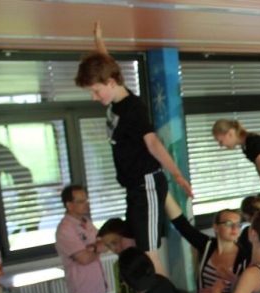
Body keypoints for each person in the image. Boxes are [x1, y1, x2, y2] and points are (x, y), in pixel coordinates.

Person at [75, 21, 193, 275]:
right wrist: (98, 41)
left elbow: (152, 143)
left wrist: (177, 174)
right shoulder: (116, 97)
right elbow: (108, 64)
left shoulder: (133, 109)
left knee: (149, 254)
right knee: (136, 248)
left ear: (110, 83)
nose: (94, 97)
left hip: (147, 185)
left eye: (95, 91)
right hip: (134, 187)